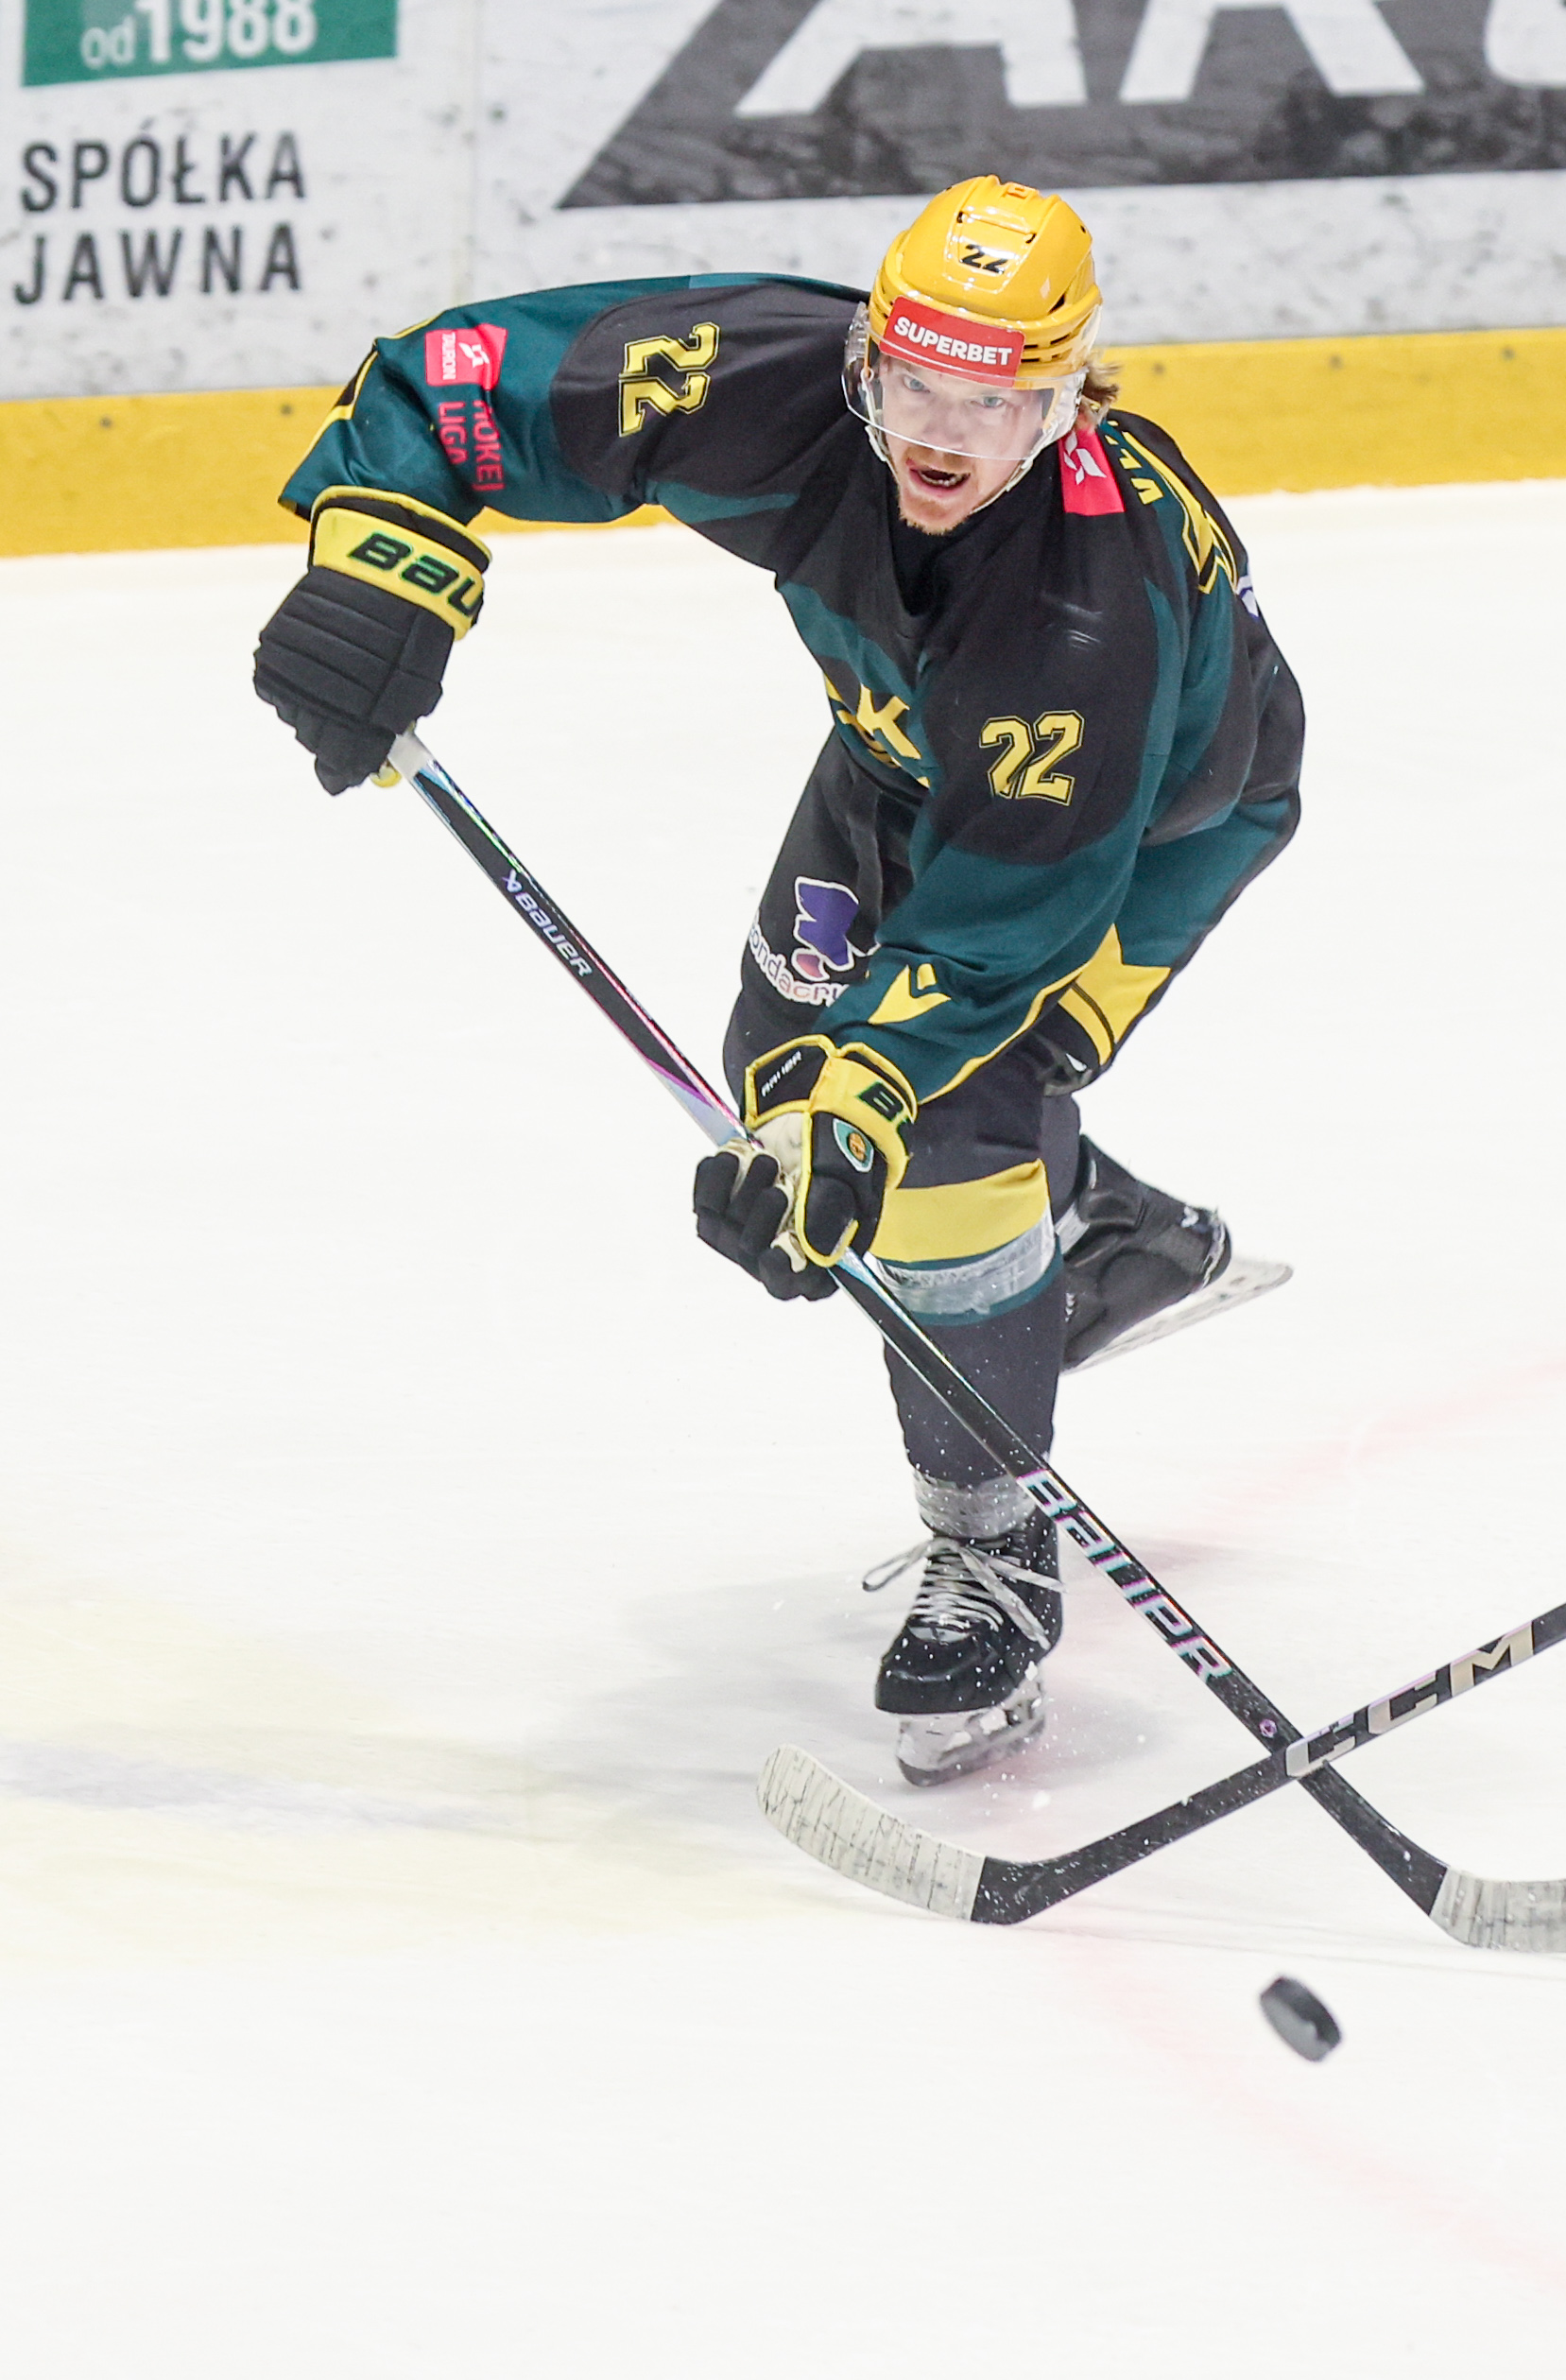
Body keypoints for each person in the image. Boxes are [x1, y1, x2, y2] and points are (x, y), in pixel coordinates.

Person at [248, 178, 1301, 1786]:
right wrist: (384, 557)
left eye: (996, 404)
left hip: (1150, 826)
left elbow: (994, 931)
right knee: (778, 1068)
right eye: (915, 386)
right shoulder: (771, 379)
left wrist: (857, 1109)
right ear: (864, 357)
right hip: (896, 758)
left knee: (928, 1119)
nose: (942, 436)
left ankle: (995, 1550)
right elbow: (459, 382)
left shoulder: (1082, 619)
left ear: (1072, 402)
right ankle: (1092, 1235)